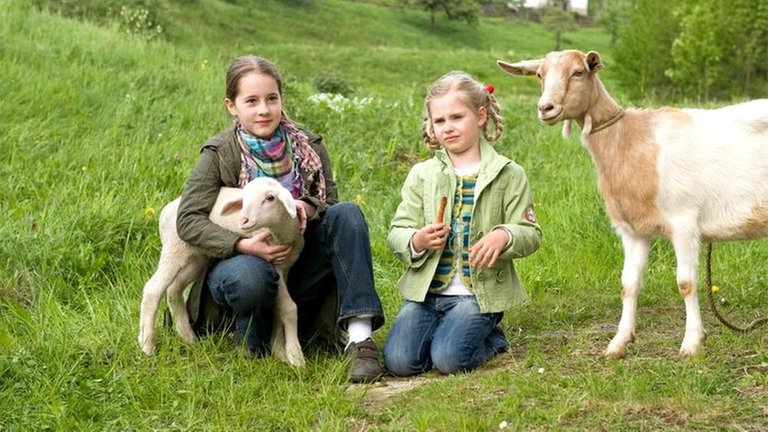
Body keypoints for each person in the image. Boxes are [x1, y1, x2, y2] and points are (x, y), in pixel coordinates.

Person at [176, 55, 385, 383]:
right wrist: (242, 244)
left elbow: (330, 202)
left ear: (281, 99)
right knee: (251, 276)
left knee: (348, 214)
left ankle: (360, 339)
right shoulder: (219, 154)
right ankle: (246, 329)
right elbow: (187, 219)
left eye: (272, 99)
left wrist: (308, 207)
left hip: (296, 263)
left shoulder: (308, 145)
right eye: (252, 101)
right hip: (238, 266)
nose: (264, 109)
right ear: (232, 106)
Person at [383, 71, 542, 376]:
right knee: (400, 362)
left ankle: (492, 338)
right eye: (439, 121)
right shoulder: (423, 174)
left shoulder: (508, 173)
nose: (448, 127)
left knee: (449, 360)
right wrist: (416, 240)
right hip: (426, 295)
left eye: (457, 117)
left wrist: (504, 236)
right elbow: (397, 232)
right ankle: (445, 332)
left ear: (481, 116)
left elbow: (531, 233)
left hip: (477, 296)